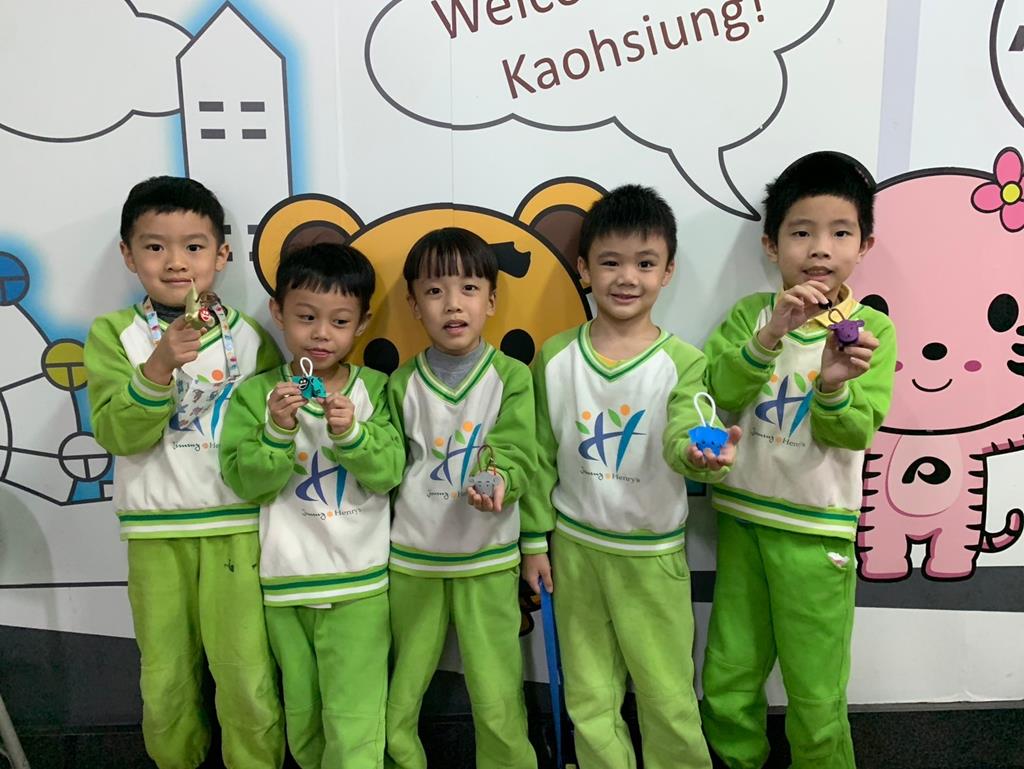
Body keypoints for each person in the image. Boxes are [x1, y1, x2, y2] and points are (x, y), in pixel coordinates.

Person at [699, 151, 896, 769]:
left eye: (840, 233)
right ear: (771, 244)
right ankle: (736, 760)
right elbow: (717, 395)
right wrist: (768, 338)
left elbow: (857, 431)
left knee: (815, 689)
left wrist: (833, 386)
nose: (820, 249)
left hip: (817, 532)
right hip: (742, 521)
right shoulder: (750, 317)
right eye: (801, 232)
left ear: (864, 245)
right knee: (729, 671)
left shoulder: (870, 329)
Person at [84, 176, 284, 769]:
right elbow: (117, 433)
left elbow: (271, 441)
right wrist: (158, 366)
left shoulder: (250, 337)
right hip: (155, 532)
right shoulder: (113, 334)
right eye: (155, 246)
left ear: (222, 255)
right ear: (128, 255)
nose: (175, 262)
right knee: (165, 675)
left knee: (247, 673)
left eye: (194, 246)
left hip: (237, 529)